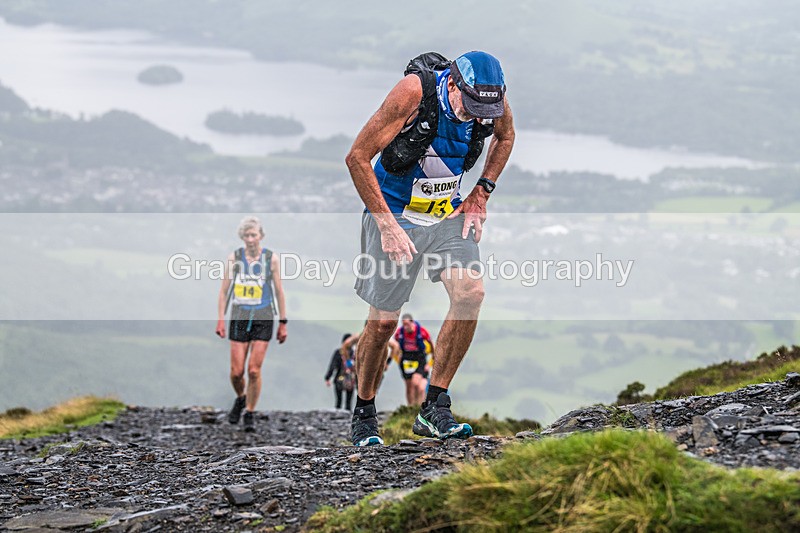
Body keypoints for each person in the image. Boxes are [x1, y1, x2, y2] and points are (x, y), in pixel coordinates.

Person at [345, 50, 515, 446]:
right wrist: (386, 224)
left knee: (471, 293)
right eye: (469, 106)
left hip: (446, 215)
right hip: (394, 213)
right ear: (453, 83)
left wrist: (482, 192)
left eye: (483, 111)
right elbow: (357, 157)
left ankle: (435, 406)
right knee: (383, 323)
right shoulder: (413, 93)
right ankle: (364, 411)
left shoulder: (492, 100)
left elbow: (506, 136)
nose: (476, 117)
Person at [216, 216, 288, 432]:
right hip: (239, 314)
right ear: (242, 237)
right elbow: (224, 291)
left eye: (253, 235)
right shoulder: (235, 258)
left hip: (264, 315)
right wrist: (220, 319)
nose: (250, 239)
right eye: (246, 235)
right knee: (237, 372)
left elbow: (279, 291)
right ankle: (241, 397)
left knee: (254, 370)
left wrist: (283, 322)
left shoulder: (271, 259)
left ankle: (249, 411)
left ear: (261, 236)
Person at [393, 314, 433, 406]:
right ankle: (410, 407)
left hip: (419, 358)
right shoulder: (400, 333)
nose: (405, 327)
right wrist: (397, 358)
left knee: (416, 384)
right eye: (403, 324)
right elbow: (395, 346)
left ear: (412, 322)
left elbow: (432, 346)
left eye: (407, 324)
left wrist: (430, 363)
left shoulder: (421, 331)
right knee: (409, 386)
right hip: (406, 359)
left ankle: (418, 406)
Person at [325, 333, 357, 411]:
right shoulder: (354, 353)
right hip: (351, 380)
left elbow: (333, 365)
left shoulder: (338, 352)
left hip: (339, 379)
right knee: (348, 403)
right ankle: (348, 415)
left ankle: (337, 415)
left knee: (338, 402)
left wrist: (328, 378)